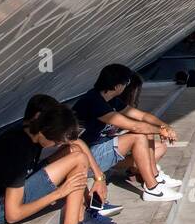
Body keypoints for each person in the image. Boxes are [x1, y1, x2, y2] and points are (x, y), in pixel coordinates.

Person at [0, 96, 111, 224]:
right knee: (78, 158)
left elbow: (76, 142)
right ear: (45, 133)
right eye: (56, 143)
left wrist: (99, 178)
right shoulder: (17, 151)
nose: (57, 145)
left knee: (74, 150)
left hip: (9, 192)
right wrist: (58, 193)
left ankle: (82, 215)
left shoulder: (32, 132)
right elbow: (12, 214)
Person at [74, 64, 183, 202]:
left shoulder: (109, 99)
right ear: (117, 86)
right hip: (87, 157)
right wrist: (161, 131)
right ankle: (153, 189)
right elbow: (136, 126)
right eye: (127, 82)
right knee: (138, 136)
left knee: (151, 137)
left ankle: (155, 177)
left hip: (101, 150)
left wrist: (165, 126)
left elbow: (142, 116)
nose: (127, 86)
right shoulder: (94, 101)